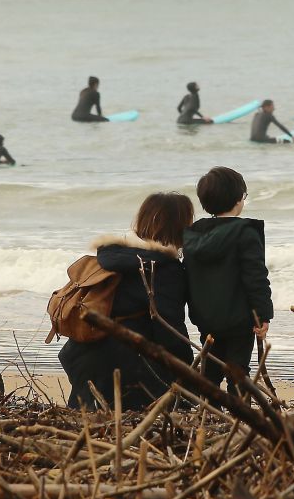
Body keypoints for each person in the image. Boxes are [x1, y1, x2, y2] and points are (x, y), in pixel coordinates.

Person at [58, 193, 196, 411]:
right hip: (125, 368)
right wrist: (191, 372)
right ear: (178, 227)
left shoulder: (112, 257)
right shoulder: (163, 270)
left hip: (82, 355)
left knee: (87, 421)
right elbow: (170, 333)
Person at [184, 167, 273, 389]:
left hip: (206, 317)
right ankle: (240, 416)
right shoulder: (245, 233)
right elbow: (256, 277)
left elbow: (190, 276)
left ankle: (209, 412)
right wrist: (263, 314)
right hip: (240, 319)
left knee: (210, 370)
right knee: (238, 370)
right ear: (237, 199)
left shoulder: (194, 234)